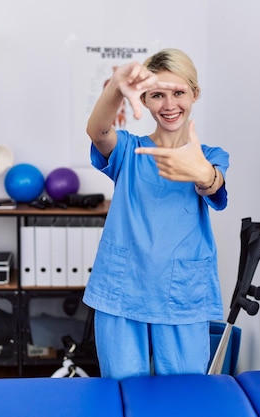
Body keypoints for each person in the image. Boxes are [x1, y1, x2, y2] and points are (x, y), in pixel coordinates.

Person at [82, 48, 229, 380]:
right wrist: (116, 88)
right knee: (122, 394)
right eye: (158, 95)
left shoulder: (208, 156)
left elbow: (214, 183)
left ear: (195, 94)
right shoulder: (129, 151)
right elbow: (98, 132)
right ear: (145, 100)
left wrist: (203, 173)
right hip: (122, 291)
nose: (169, 104)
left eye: (178, 92)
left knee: (183, 397)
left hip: (182, 295)